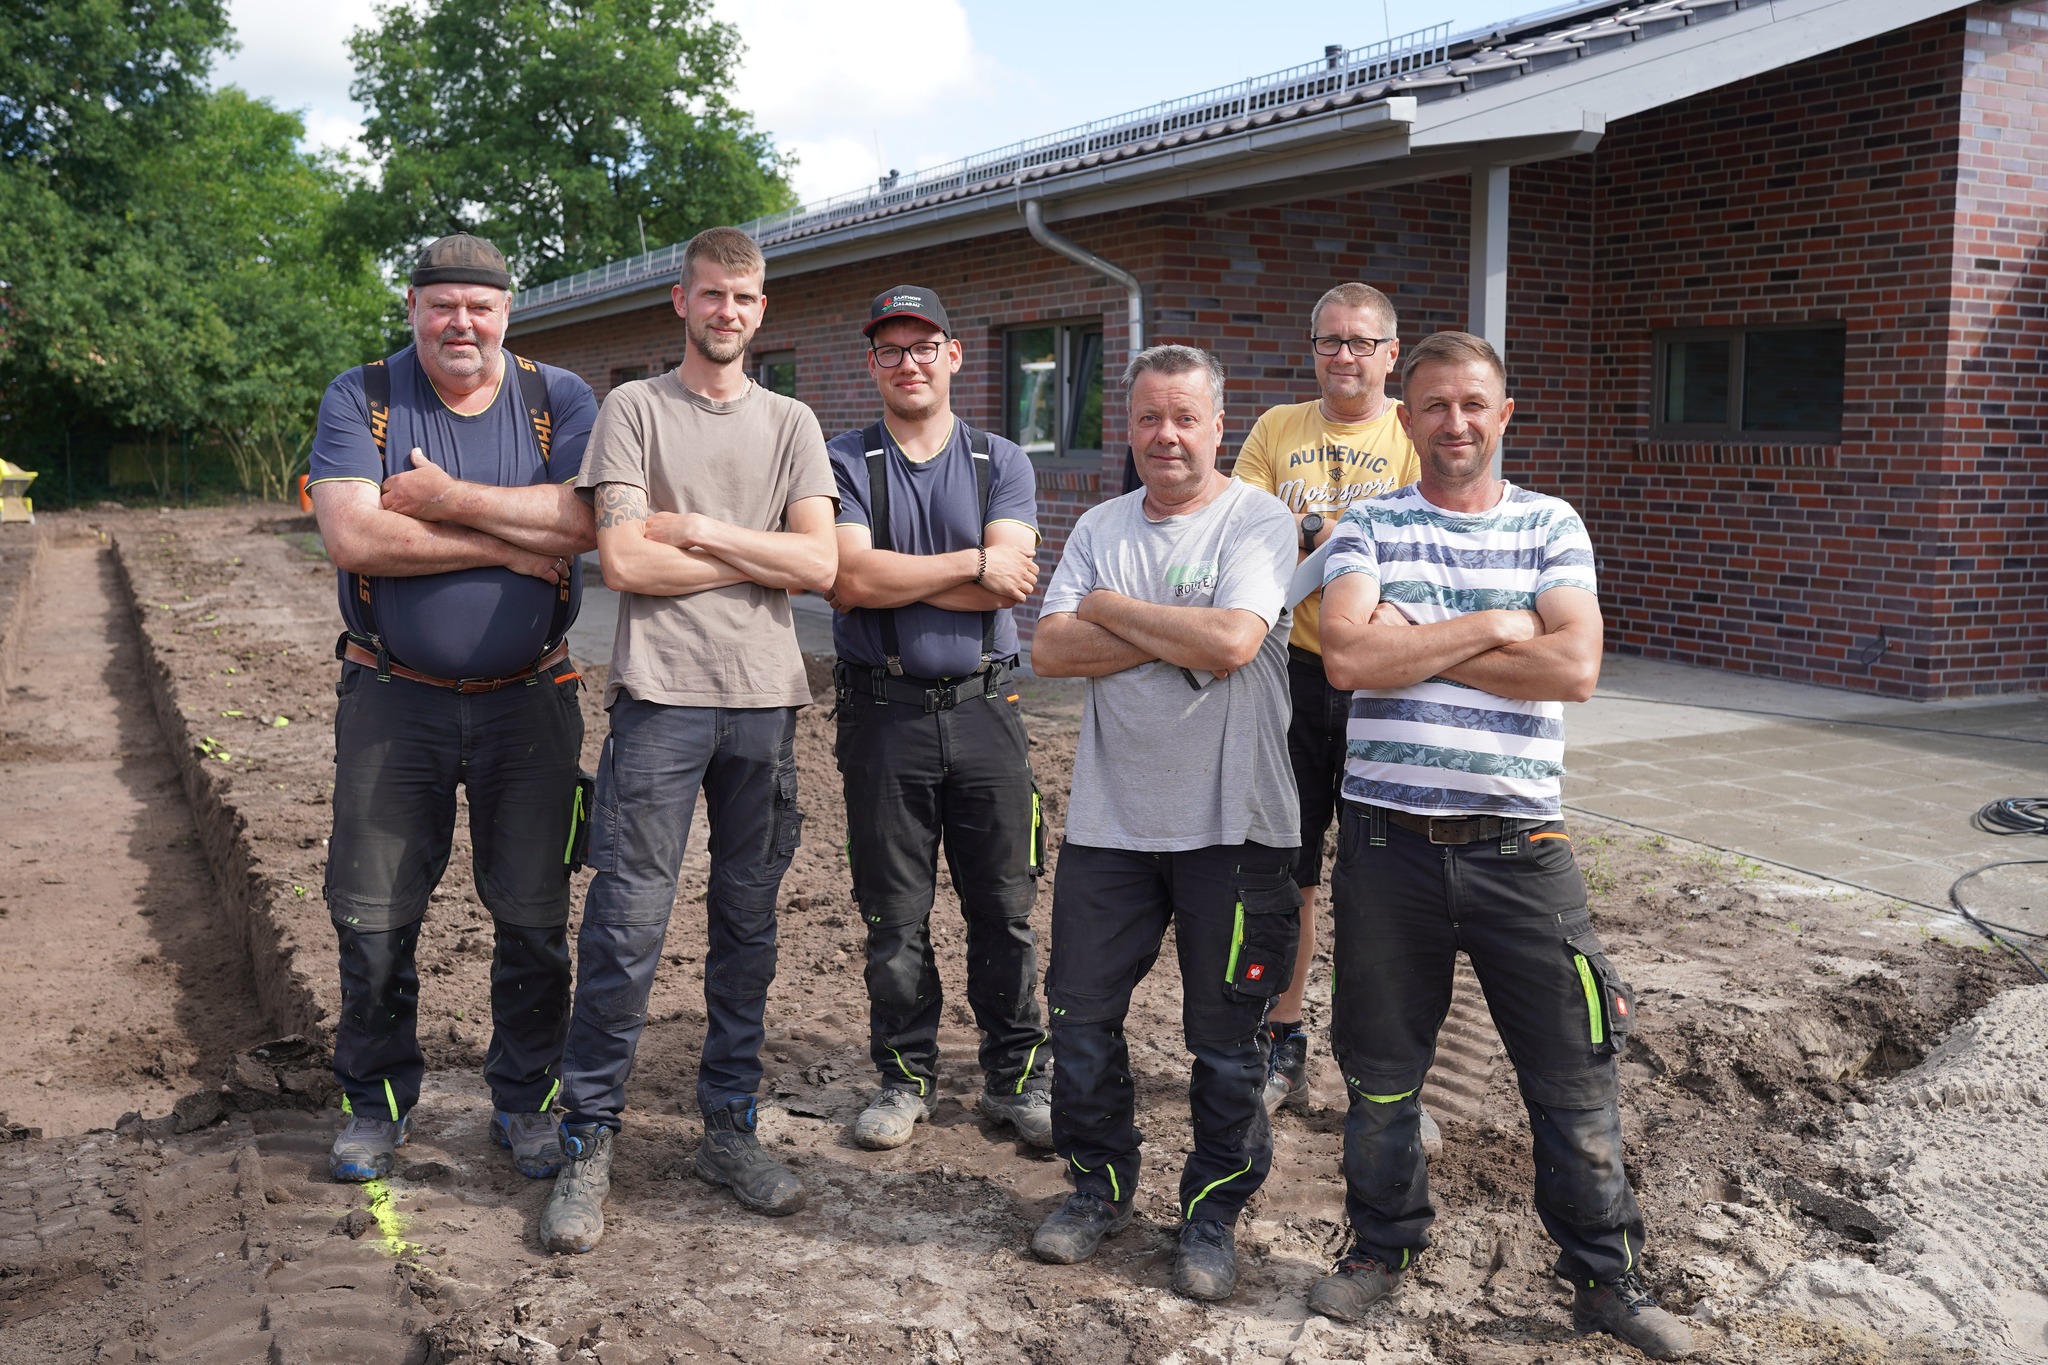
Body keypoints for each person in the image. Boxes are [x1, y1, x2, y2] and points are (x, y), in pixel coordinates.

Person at [1307, 332, 1692, 1360]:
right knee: (1381, 1074)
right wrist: (1494, 622)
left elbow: (1572, 667)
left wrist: (1423, 639)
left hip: (1521, 848)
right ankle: (1378, 1249)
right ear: (1407, 416)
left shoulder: (1549, 523)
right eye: (1432, 405)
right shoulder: (1367, 524)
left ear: (1503, 411)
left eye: (1471, 403)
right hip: (1386, 849)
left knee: (1573, 1077)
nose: (1453, 423)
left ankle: (1606, 1279)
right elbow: (1346, 656)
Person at [538, 227, 838, 1254]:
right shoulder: (632, 410)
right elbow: (622, 561)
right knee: (625, 921)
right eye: (710, 295)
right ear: (681, 301)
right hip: (660, 699)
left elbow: (821, 565)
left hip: (764, 703)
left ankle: (727, 1127)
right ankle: (588, 1137)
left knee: (746, 927)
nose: (727, 312)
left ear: (762, 307)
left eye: (743, 298)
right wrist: (761, 558)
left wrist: (700, 533)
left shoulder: (793, 421)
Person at [307, 232, 598, 1184]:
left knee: (533, 912)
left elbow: (585, 523)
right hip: (397, 700)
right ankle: (376, 1103)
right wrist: (509, 544)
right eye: (443, 305)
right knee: (374, 910)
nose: (461, 322)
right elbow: (354, 533)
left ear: (508, 312)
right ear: (412, 308)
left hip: (532, 703)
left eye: (480, 305)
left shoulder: (560, 400)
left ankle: (524, 1102)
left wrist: (438, 502)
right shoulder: (366, 396)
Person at [1028, 344, 1300, 1303]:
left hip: (1235, 822)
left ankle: (1213, 1213)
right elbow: (1052, 651)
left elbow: (1234, 640)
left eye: (1185, 418)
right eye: (1149, 418)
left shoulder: (1259, 518)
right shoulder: (1102, 522)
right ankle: (1098, 1187)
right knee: (1082, 1016)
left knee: (1227, 1040)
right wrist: (1160, 624)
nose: (1167, 436)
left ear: (1220, 425)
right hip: (1113, 818)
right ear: (1128, 427)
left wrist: (1111, 609)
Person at [822, 285, 1053, 1151]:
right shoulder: (845, 460)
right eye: (891, 349)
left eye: (925, 346)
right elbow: (849, 581)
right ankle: (904, 1077)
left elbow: (1017, 576)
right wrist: (970, 565)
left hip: (988, 710)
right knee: (894, 912)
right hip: (883, 716)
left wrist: (900, 569)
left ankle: (1015, 1077)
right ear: (872, 364)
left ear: (954, 355)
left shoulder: (1003, 461)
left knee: (1005, 905)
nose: (909, 362)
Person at [1230, 282, 1418, 1115]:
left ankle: (1389, 1066)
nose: (1344, 355)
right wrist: (1347, 533)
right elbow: (1245, 528)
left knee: (1388, 879)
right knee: (1291, 868)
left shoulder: (1418, 428)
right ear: (1313, 349)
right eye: (1329, 341)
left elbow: (1427, 539)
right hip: (1294, 674)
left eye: (1360, 342)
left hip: (1386, 680)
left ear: (1390, 353)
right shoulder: (1278, 429)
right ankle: (1283, 1040)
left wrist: (1310, 530)